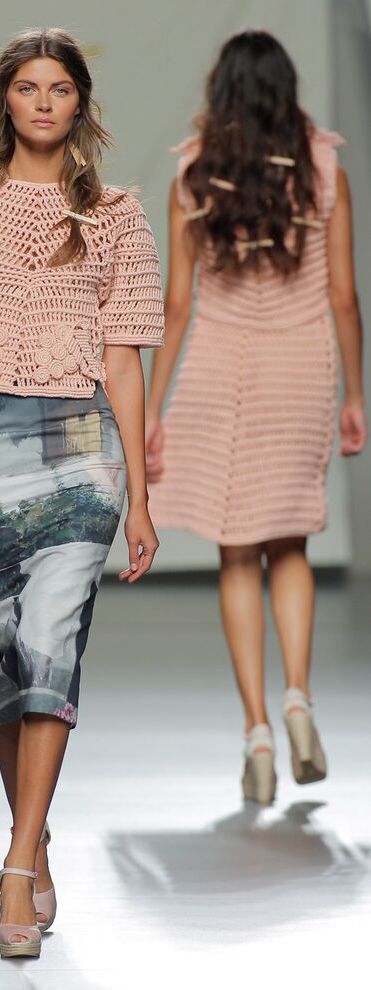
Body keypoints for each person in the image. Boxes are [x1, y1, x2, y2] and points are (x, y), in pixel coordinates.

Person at [0, 28, 164, 957]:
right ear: (4, 100)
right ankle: (35, 836)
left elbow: (123, 362)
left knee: (53, 645)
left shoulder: (117, 216)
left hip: (84, 442)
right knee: (2, 656)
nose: (43, 103)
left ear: (80, 103)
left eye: (60, 89)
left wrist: (141, 495)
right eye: (27, 88)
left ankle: (15, 865)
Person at [145, 30, 366, 805]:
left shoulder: (194, 175)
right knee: (291, 541)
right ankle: (299, 700)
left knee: (237, 552)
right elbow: (343, 296)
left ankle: (258, 735)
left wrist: (152, 409)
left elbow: (177, 306)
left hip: (220, 366)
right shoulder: (323, 171)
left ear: (222, 93)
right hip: (300, 365)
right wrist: (356, 394)